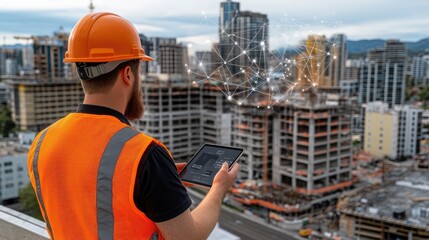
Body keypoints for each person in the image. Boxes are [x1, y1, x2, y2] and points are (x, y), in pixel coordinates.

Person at [27, 12, 239, 240]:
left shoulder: (41, 142)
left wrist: (161, 183)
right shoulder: (145, 155)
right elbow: (188, 237)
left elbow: (89, 197)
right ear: (128, 74)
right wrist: (219, 188)